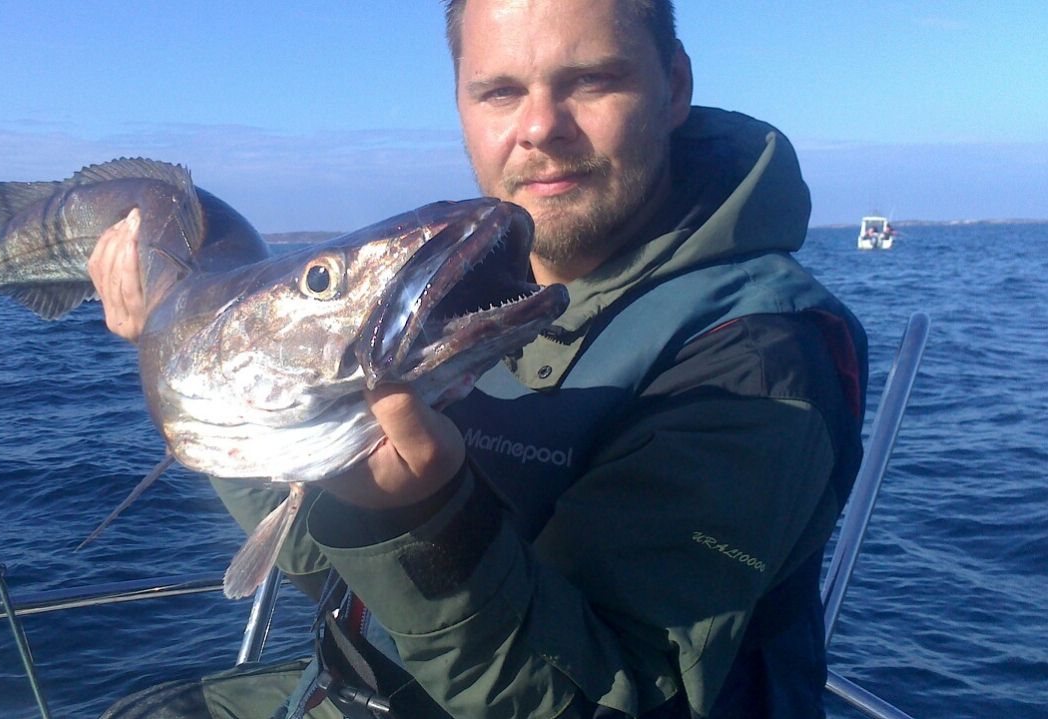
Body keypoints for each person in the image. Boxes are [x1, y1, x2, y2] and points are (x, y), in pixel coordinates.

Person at [91, 1, 868, 717]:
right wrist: (202, 385)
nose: (540, 127)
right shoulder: (466, 303)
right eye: (500, 92)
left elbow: (609, 701)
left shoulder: (757, 367)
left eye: (591, 81)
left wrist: (421, 515)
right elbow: (331, 568)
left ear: (675, 88)